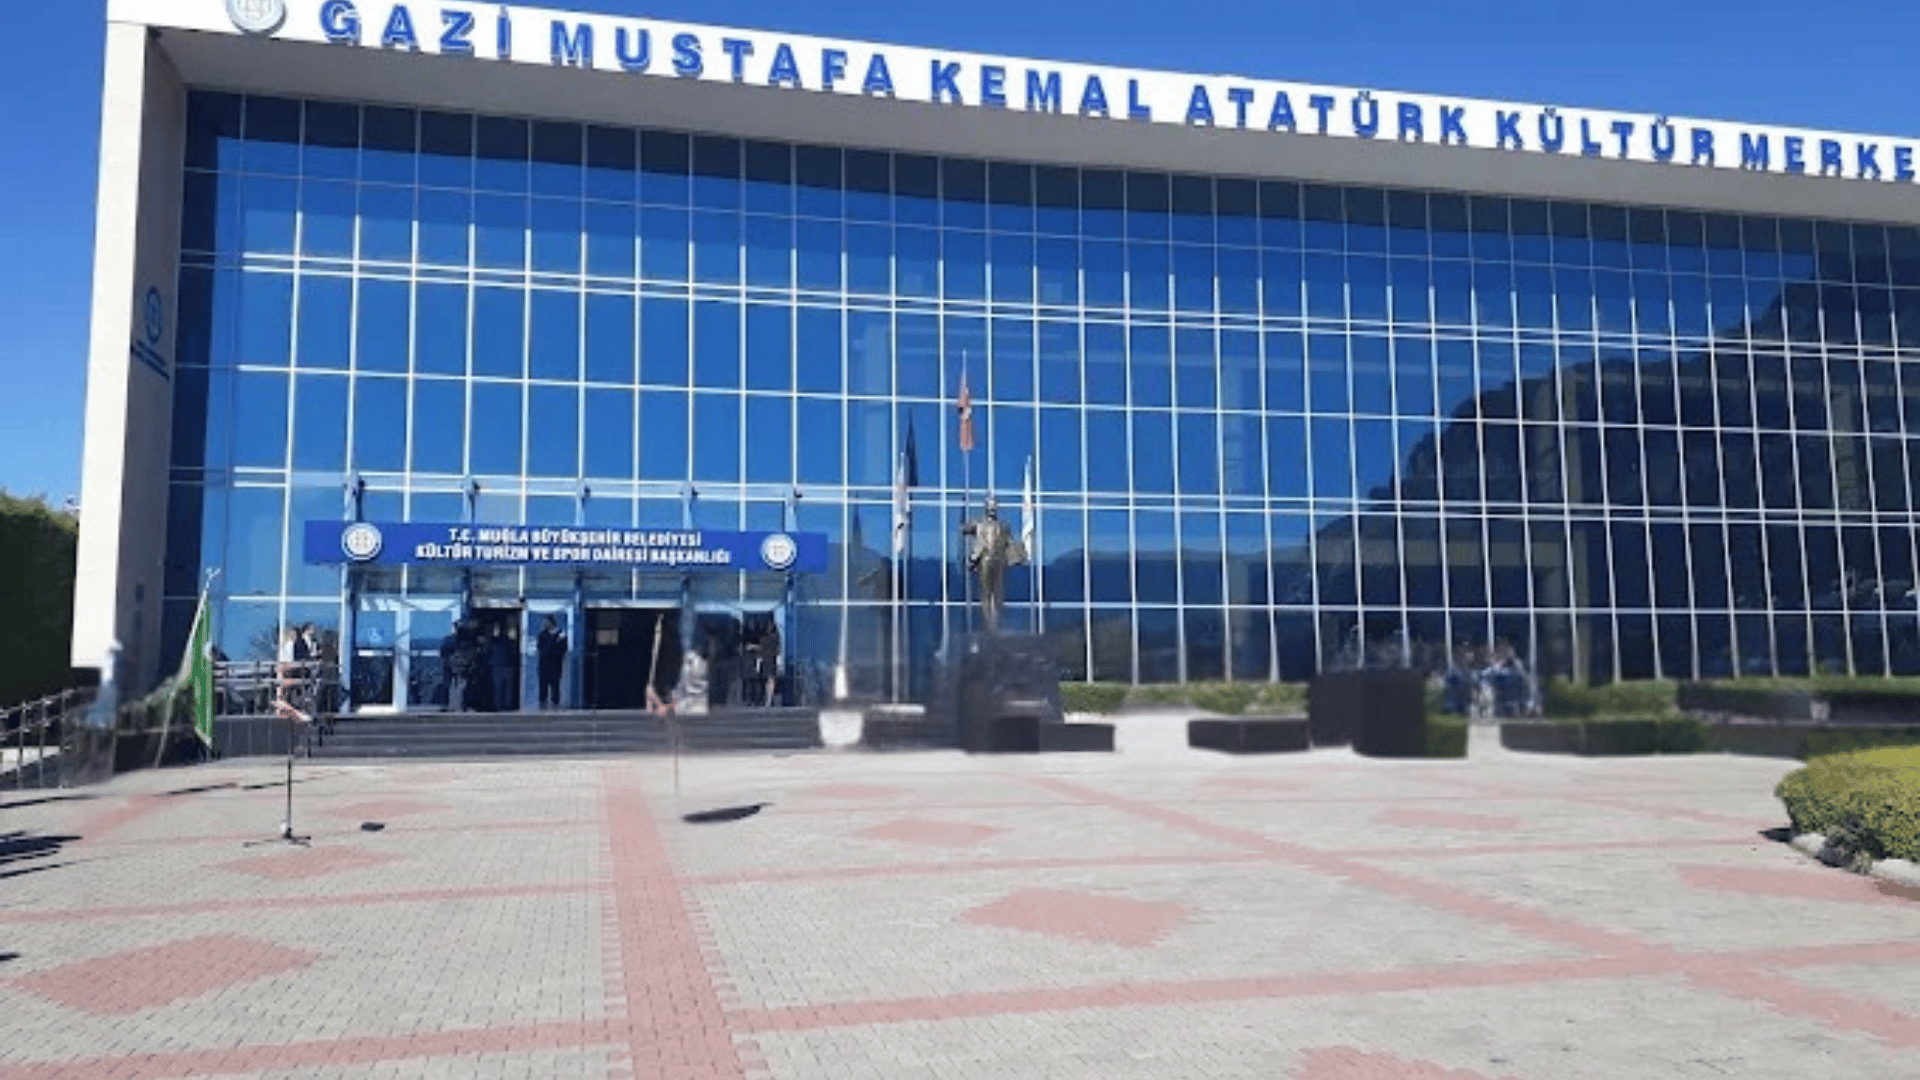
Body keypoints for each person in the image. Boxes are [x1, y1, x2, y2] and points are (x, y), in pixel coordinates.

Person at [536, 616, 568, 709]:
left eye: (547, 622)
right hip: (544, 665)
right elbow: (541, 648)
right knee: (543, 687)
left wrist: (554, 646)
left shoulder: (561, 634)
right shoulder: (542, 635)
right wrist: (555, 643)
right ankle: (542, 705)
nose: (545, 624)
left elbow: (562, 649)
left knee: (555, 686)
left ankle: (555, 705)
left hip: (555, 665)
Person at [488, 624, 517, 712]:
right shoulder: (510, 642)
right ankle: (506, 705)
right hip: (506, 666)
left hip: (499, 666)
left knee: (499, 688)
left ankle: (500, 705)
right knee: (507, 688)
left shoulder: (493, 642)